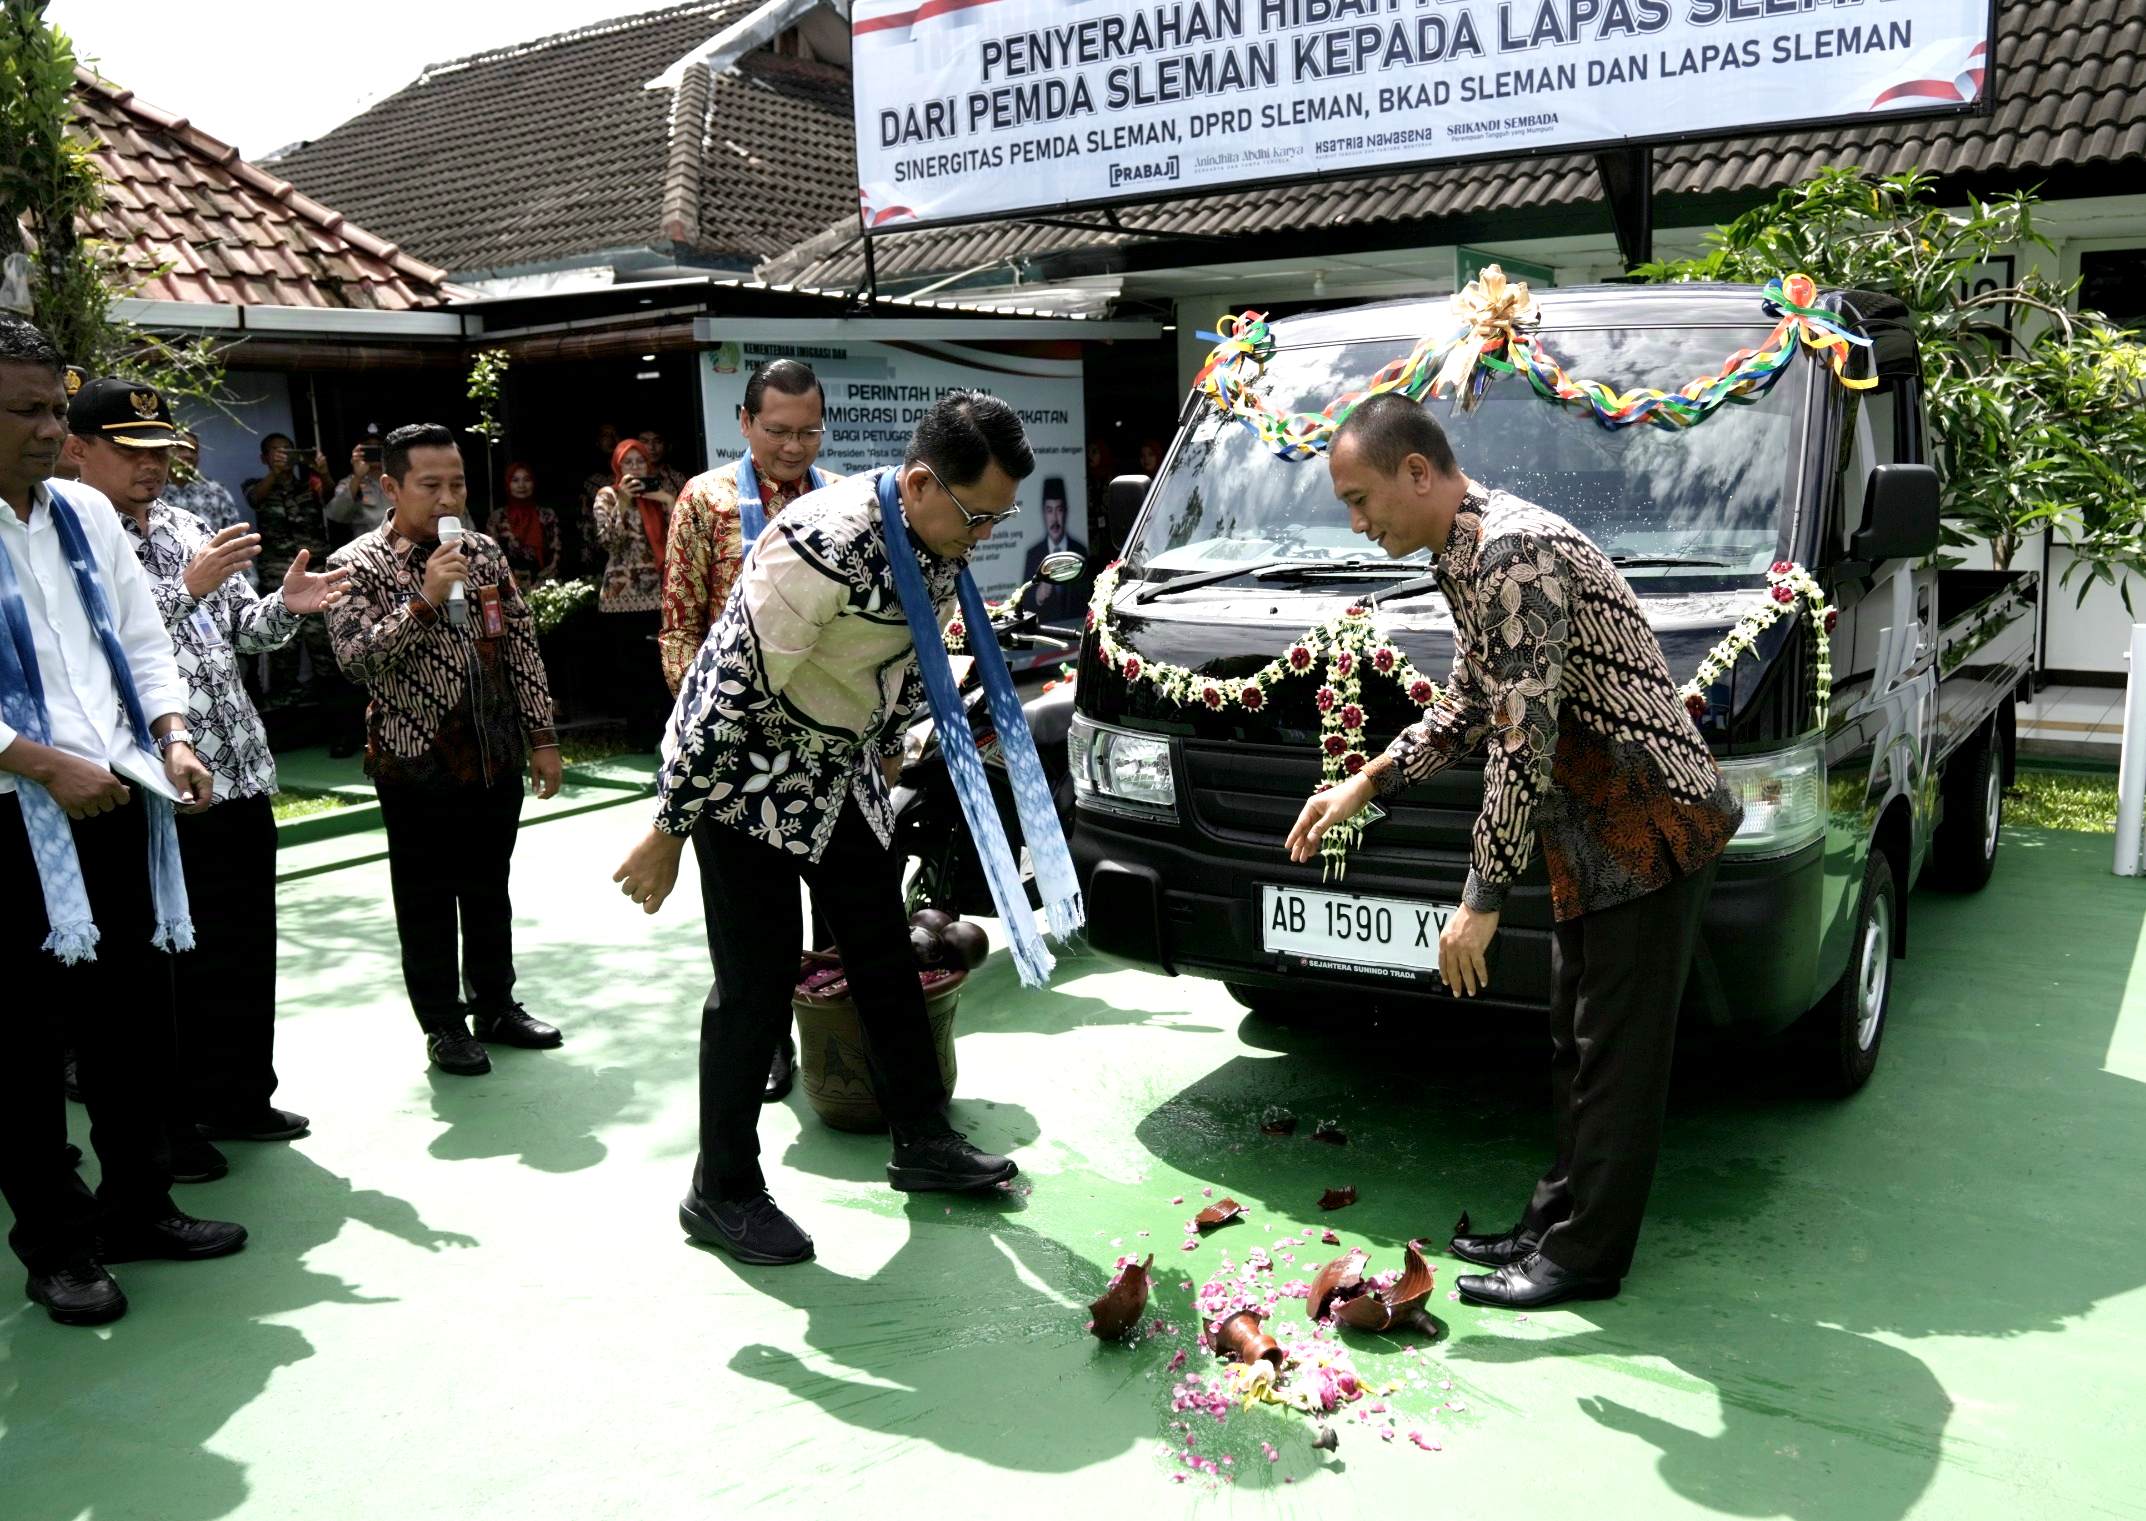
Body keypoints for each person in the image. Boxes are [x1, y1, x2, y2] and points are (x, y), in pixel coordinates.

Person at [1284, 393, 1742, 1310]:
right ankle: (1550, 1226)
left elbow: (1520, 737)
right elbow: (1466, 703)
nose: (1357, 521)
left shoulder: (1511, 553)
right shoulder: (1465, 556)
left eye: (1361, 497)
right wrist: (1361, 784)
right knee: (1576, 1042)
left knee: (1613, 1054)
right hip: (1590, 822)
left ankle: (1584, 1259)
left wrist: (1481, 896)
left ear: (1419, 472)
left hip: (1647, 817)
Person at [612, 391, 1041, 1267]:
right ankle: (720, 1188)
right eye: (978, 515)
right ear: (919, 483)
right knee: (756, 982)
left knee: (883, 948)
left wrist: (892, 745)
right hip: (742, 772)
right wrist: (669, 826)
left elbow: (916, 654)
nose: (986, 535)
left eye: (1000, 518)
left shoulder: (935, 536)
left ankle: (921, 1137)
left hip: (834, 766)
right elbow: (728, 685)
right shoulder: (824, 542)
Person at [0, 317, 245, 1327]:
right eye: (24, 410)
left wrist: (176, 735)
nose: (48, 429)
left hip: (114, 799)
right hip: (14, 818)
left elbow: (143, 643)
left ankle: (138, 1207)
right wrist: (39, 761)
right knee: (19, 1048)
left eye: (55, 408)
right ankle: (57, 1248)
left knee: (135, 1025)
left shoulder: (85, 517)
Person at [68, 378, 347, 1174]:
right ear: (77, 450)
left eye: (159, 449)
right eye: (130, 450)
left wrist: (290, 606)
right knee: (164, 965)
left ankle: (239, 1094)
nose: (151, 465)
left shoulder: (189, 523)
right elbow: (95, 647)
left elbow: (241, 631)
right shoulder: (73, 539)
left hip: (236, 767)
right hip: (151, 782)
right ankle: (174, 1120)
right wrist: (183, 586)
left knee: (242, 942)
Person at [326, 424, 565, 1077]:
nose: (445, 496)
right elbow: (354, 659)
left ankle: (496, 1004)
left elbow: (519, 643)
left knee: (490, 887)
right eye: (430, 485)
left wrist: (541, 739)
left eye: (455, 483)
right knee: (427, 896)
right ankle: (442, 1023)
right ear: (391, 487)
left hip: (493, 753)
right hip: (413, 763)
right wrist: (426, 597)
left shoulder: (484, 552)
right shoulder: (357, 563)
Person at [658, 358, 841, 1103]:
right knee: (748, 926)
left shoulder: (841, 501)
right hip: (734, 757)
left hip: (830, 745)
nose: (793, 448)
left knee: (838, 915)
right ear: (743, 423)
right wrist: (709, 728)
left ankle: (839, 1037)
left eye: (807, 431)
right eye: (776, 432)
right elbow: (678, 630)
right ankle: (766, 1040)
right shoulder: (706, 502)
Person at [591, 437, 677, 739]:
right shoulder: (607, 495)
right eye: (629, 462)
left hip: (657, 593)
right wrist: (625, 501)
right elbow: (608, 541)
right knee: (631, 668)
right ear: (618, 466)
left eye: (640, 461)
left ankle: (665, 732)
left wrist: (667, 502)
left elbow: (678, 540)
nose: (636, 467)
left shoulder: (658, 497)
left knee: (659, 666)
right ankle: (638, 734)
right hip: (622, 598)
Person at [242, 433, 333, 702]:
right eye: (275, 451)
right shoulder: (256, 484)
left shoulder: (310, 483)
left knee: (324, 647)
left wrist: (324, 473)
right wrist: (275, 473)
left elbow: (330, 497)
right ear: (264, 458)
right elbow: (254, 499)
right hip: (278, 578)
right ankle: (288, 708)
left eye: (288, 451)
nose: (283, 455)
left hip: (316, 574)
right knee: (283, 648)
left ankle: (332, 707)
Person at [162, 431, 252, 584]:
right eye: (181, 448)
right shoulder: (153, 493)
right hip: (168, 582)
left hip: (214, 584)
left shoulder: (216, 492)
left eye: (193, 451)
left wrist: (247, 582)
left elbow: (236, 539)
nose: (188, 455)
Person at [1019, 476, 1091, 623]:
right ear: (1043, 513)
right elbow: (1024, 601)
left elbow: (1089, 597)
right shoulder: (1033, 554)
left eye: (1059, 510)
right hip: (1045, 635)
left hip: (1076, 632)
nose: (1055, 519)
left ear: (1066, 512)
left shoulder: (1080, 550)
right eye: (1049, 510)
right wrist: (1038, 596)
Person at [495, 461, 560, 588]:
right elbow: (490, 555)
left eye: (527, 479)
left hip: (543, 586)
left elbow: (556, 553)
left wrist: (542, 582)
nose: (521, 485)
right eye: (515, 480)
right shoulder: (498, 517)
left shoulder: (547, 516)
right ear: (508, 484)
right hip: (508, 585)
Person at [325, 433, 389, 549]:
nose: (374, 451)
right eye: (368, 447)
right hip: (367, 552)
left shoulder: (398, 480)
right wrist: (358, 476)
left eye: (379, 447)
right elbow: (337, 514)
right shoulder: (350, 482)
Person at [635, 428, 689, 495]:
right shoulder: (632, 476)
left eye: (657, 441)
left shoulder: (677, 478)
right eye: (645, 442)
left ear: (667, 445)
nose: (651, 447)